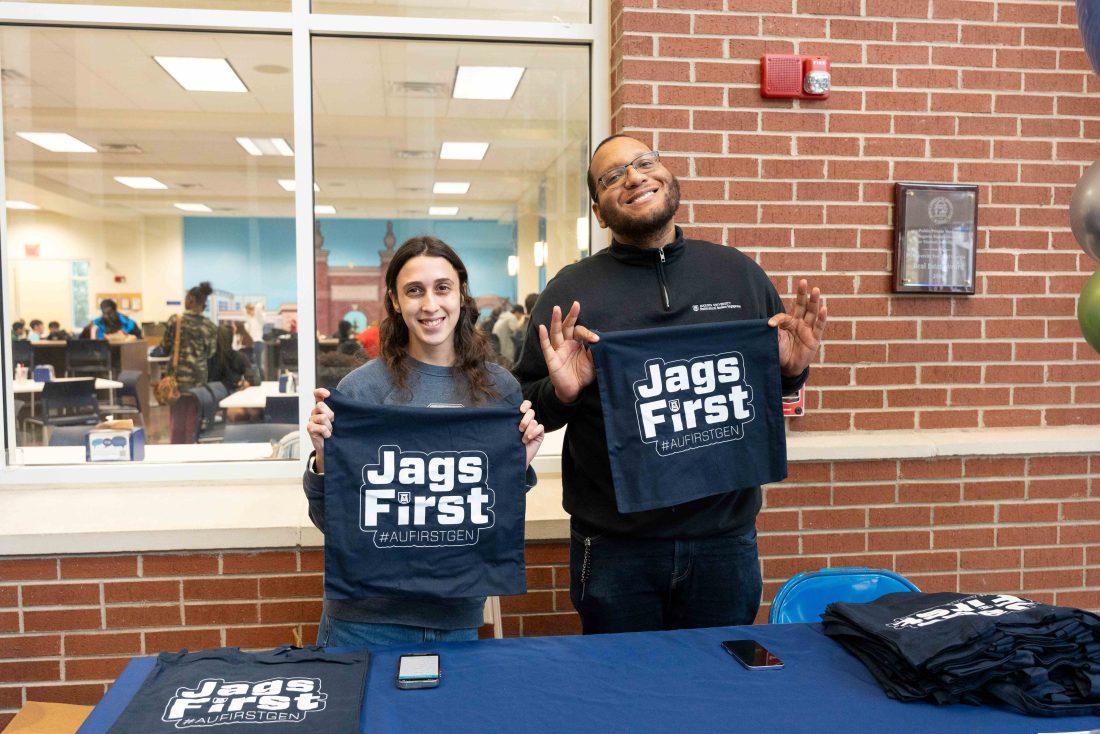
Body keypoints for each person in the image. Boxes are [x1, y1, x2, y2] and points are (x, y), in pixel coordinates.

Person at [514, 134, 827, 635]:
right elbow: (526, 409)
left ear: (668, 176)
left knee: (720, 692)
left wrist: (792, 370)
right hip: (616, 548)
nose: (634, 177)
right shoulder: (570, 293)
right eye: (613, 176)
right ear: (599, 212)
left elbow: (769, 392)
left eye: (643, 163)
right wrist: (562, 393)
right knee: (622, 695)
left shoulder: (737, 276)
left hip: (724, 543)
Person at [304, 235, 546, 647]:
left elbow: (491, 519)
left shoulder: (497, 388)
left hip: (456, 618)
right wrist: (326, 460)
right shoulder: (362, 390)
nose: (430, 304)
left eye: (442, 288)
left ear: (461, 293)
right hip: (363, 622)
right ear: (396, 302)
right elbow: (334, 525)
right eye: (414, 291)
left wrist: (516, 465)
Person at [162, 282, 219, 390]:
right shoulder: (210, 326)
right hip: (199, 377)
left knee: (177, 405)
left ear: (190, 300)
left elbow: (165, 347)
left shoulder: (175, 320)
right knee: (197, 405)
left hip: (176, 377)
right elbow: (210, 353)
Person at [208, 323, 258, 393]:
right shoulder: (239, 357)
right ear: (231, 338)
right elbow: (255, 379)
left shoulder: (208, 357)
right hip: (234, 395)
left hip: (212, 396)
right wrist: (247, 382)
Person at [244, 303, 266, 380]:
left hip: (258, 342)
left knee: (258, 364)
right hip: (251, 343)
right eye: (248, 310)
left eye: (250, 310)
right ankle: (254, 380)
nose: (249, 312)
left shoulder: (259, 319)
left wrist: (258, 306)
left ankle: (261, 380)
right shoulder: (249, 320)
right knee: (252, 364)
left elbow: (259, 307)